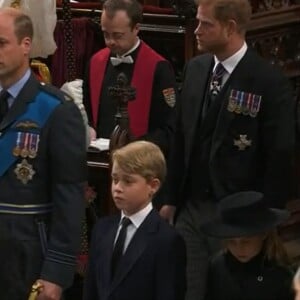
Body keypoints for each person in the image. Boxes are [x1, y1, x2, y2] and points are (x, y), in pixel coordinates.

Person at [159, 0, 296, 299]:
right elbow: (181, 138)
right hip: (192, 210)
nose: (196, 30)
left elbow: (280, 154)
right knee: (189, 290)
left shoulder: (268, 81)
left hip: (238, 216)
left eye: (205, 24)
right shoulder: (196, 69)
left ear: (230, 27)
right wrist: (169, 198)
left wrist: (263, 219)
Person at [0, 7, 86, 300]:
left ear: (26, 45)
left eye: (1, 43)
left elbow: (70, 195)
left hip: (27, 256)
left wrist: (57, 271)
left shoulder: (57, 110)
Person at [83, 141, 186, 300]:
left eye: (128, 181)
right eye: (115, 179)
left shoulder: (167, 240)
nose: (117, 187)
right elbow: (91, 290)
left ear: (153, 185)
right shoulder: (102, 229)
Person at [82, 0, 178, 156]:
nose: (110, 42)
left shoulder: (158, 68)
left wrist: (135, 147)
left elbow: (168, 128)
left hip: (141, 162)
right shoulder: (95, 62)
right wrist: (89, 129)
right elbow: (87, 112)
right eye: (106, 34)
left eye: (118, 35)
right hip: (99, 158)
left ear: (136, 28)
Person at [200, 191, 294, 300]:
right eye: (232, 241)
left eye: (246, 241)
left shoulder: (280, 275)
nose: (239, 248)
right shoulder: (217, 266)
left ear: (264, 234)